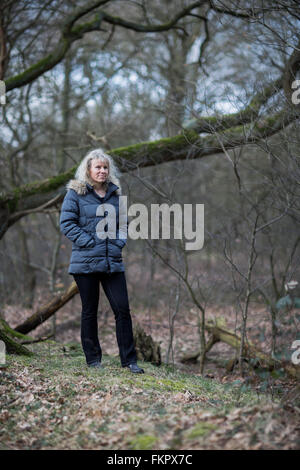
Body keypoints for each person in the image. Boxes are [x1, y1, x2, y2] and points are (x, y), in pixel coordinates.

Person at [59, 148, 144, 374]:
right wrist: (88, 242)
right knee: (90, 310)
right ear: (88, 169)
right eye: (97, 167)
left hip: (112, 261)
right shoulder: (75, 193)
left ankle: (129, 361)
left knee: (122, 309)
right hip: (85, 262)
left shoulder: (116, 195)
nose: (102, 171)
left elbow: (124, 224)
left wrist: (117, 244)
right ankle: (93, 360)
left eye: (105, 167)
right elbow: (67, 223)